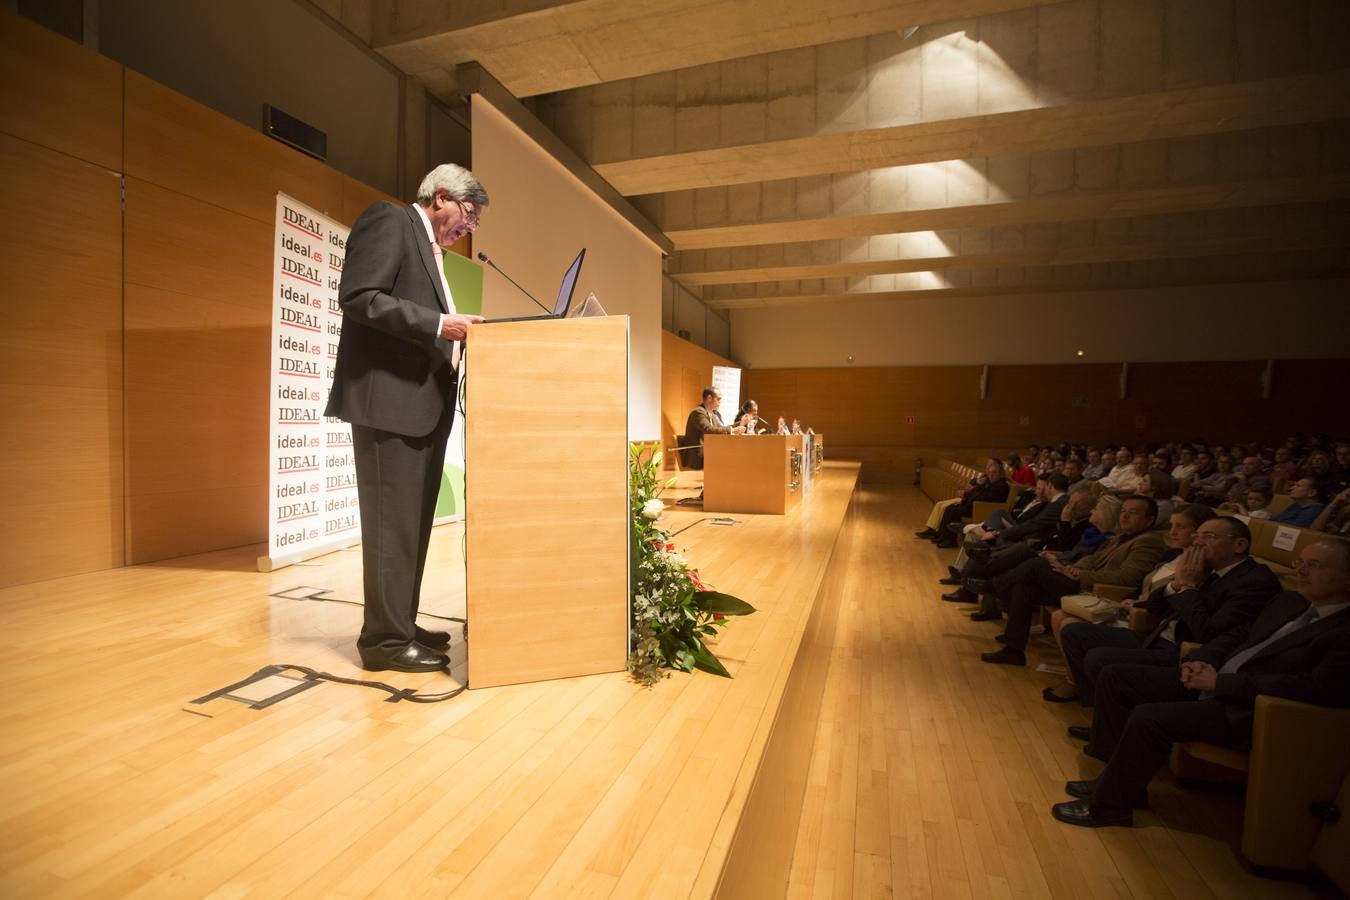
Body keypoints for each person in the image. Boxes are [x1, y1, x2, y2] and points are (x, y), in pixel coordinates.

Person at [1051, 539, 1350, 828]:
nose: (1301, 571)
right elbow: (1238, 635)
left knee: (1148, 717)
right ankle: (1115, 781)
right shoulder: (1291, 601)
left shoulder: (1342, 631)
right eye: (1301, 562)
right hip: (1214, 680)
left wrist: (1222, 683)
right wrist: (1199, 659)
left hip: (1253, 709)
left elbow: (1313, 688)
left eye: (1316, 565)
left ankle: (1110, 808)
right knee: (1118, 677)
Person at [325, 163, 487, 672]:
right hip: (389, 406)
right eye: (470, 212)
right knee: (390, 527)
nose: (472, 226)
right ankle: (383, 644)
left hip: (420, 407)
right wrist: (443, 324)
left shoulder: (431, 248)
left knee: (411, 527)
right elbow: (359, 297)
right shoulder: (389, 220)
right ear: (440, 196)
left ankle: (399, 622)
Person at [1057, 513, 1279, 705]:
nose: (1198, 544)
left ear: (1239, 545)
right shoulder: (1209, 569)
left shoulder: (1253, 581)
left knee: (1099, 657)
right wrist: (1175, 584)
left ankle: (1105, 714)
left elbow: (1208, 632)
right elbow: (1154, 607)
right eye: (1197, 537)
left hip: (1183, 651)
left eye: (1208, 537)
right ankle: (1096, 705)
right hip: (1157, 636)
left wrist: (1189, 587)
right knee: (1074, 632)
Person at [978, 496, 1168, 665]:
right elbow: (1091, 559)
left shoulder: (1148, 541)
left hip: (1101, 593)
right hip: (1082, 583)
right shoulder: (1121, 538)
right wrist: (1070, 567)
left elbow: (1127, 578)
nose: (1124, 516)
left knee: (1035, 564)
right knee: (1024, 586)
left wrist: (1078, 574)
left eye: (1132, 513)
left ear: (1149, 520)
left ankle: (990, 584)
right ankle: (1013, 651)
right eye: (1123, 511)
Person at [682, 387, 745, 469]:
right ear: (709, 398)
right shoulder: (698, 412)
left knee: (731, 455)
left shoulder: (710, 413)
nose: (720, 402)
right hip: (696, 455)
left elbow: (721, 428)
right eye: (718, 399)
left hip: (707, 451)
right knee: (728, 458)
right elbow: (708, 429)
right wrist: (731, 430)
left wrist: (741, 423)